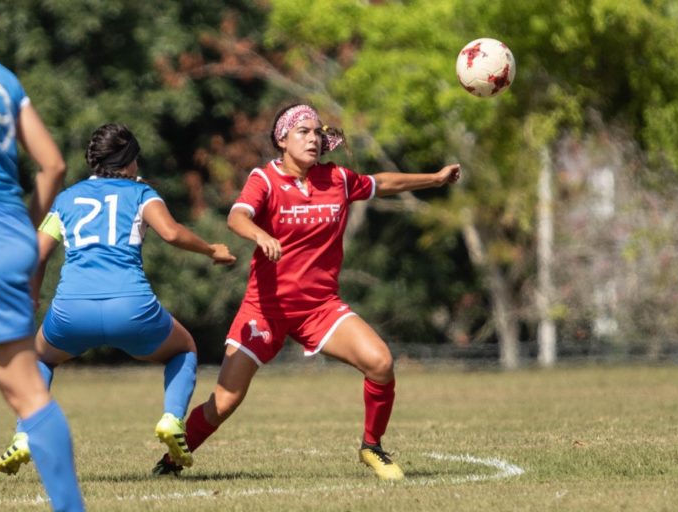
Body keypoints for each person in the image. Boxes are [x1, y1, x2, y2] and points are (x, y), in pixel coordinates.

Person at [152, 103, 461, 480]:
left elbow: (383, 183)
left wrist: (435, 178)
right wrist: (260, 234)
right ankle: (169, 464)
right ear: (282, 139)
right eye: (304, 131)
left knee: (380, 362)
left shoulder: (338, 179)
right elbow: (237, 217)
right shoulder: (264, 179)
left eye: (318, 132)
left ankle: (372, 446)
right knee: (226, 400)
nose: (314, 138)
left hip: (320, 308)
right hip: (264, 309)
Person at [0, 122, 236, 477]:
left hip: (71, 310)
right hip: (131, 307)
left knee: (40, 360)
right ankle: (171, 419)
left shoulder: (67, 199)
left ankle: (25, 433)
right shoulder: (141, 193)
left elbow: (39, 253)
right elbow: (171, 232)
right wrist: (211, 248)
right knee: (184, 349)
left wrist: (29, 300)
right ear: (130, 161)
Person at [0, 55, 85, 510]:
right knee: (29, 394)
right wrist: (23, 232)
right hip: (7, 239)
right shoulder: (0, 77)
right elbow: (53, 166)